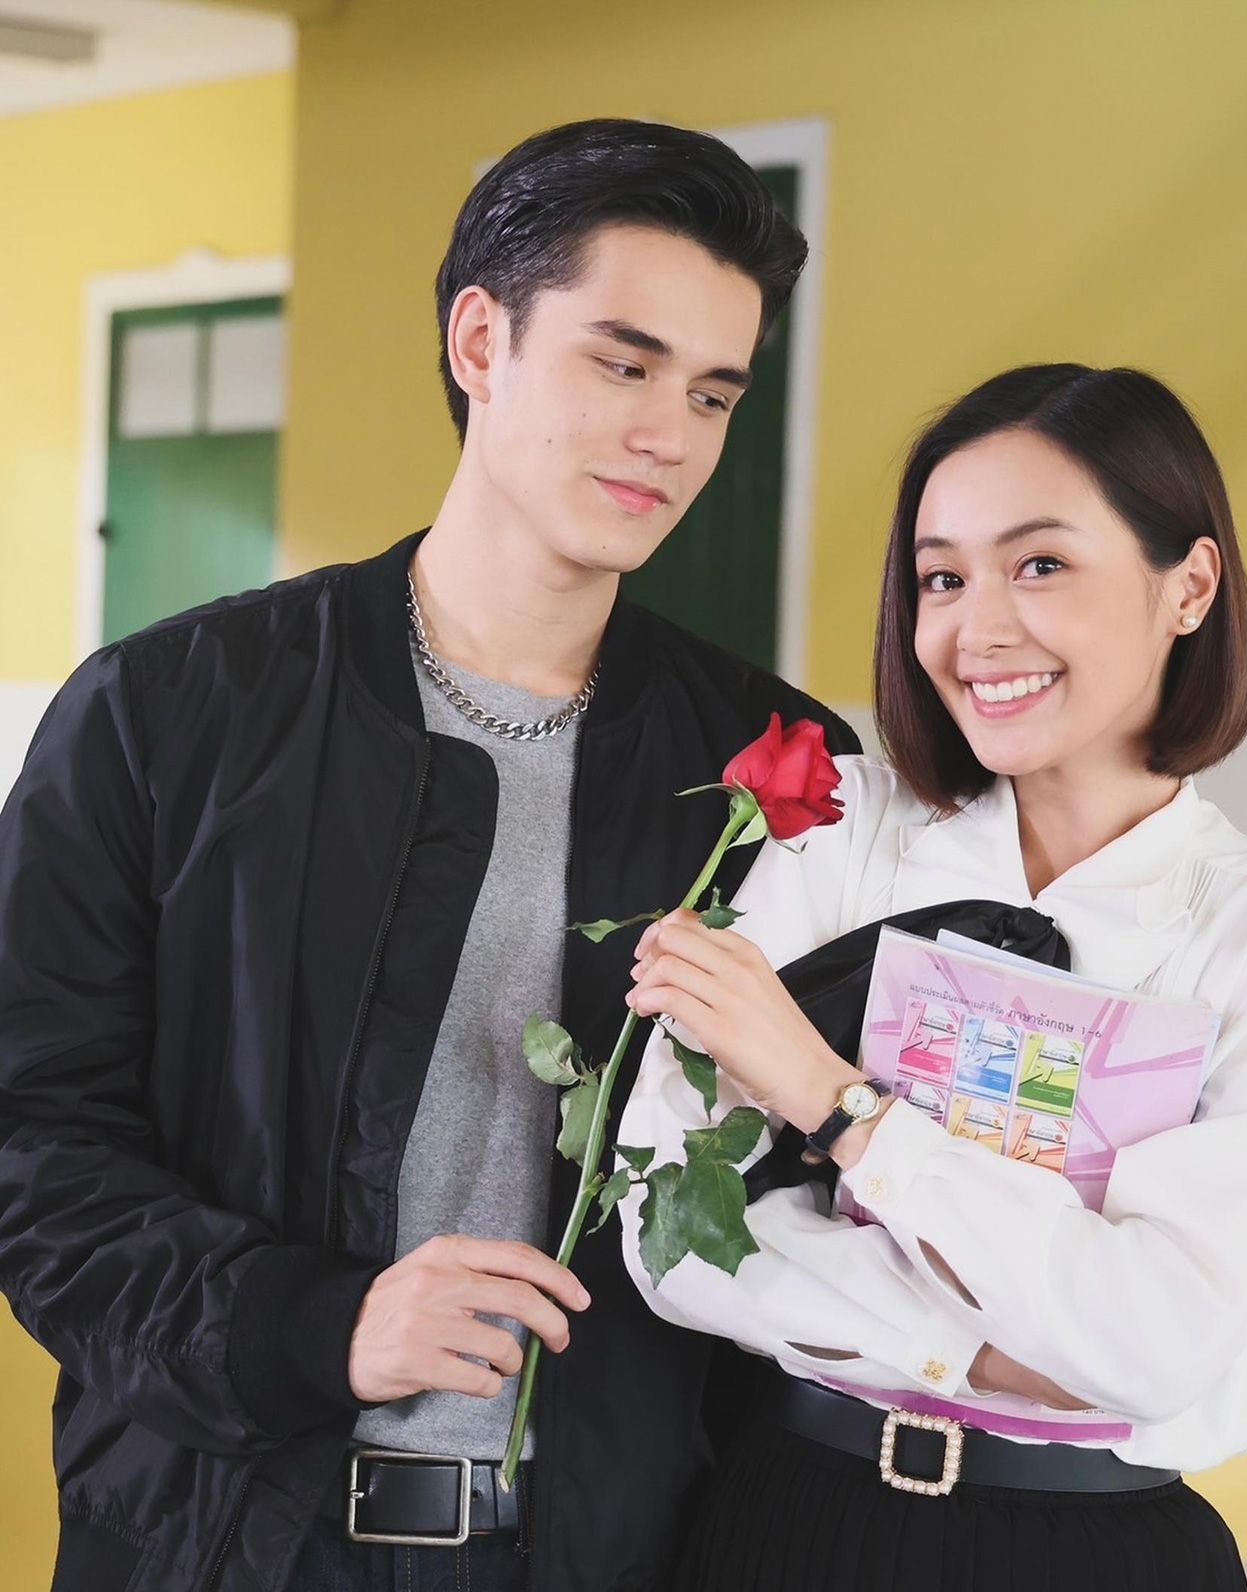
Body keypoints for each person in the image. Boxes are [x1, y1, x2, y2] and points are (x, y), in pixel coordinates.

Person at [0, 118, 857, 1592]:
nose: (671, 435)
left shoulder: (773, 764)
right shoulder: (168, 714)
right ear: (479, 341)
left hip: (609, 1558)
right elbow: (30, 1135)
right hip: (224, 1548)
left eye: (713, 393)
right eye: (623, 364)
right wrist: (307, 1322)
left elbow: (810, 1204)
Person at [621, 363, 1247, 1591]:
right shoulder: (837, 827)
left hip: (1104, 1556)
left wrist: (834, 1103)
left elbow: (1159, 1340)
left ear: (1187, 586)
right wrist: (976, 1353)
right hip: (794, 1523)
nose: (976, 630)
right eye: (940, 577)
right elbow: (669, 1228)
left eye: (1039, 563)